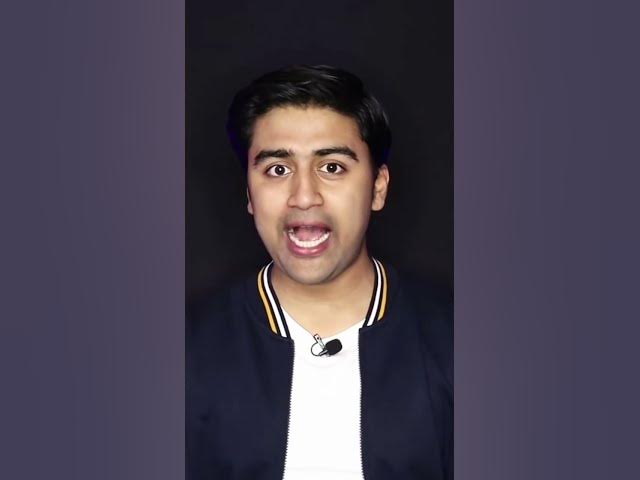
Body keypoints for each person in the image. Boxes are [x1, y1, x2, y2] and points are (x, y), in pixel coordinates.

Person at [187, 65, 453, 480]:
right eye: (278, 169)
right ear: (249, 194)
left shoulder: (457, 343)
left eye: (332, 167)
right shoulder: (184, 351)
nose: (304, 196)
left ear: (378, 187)